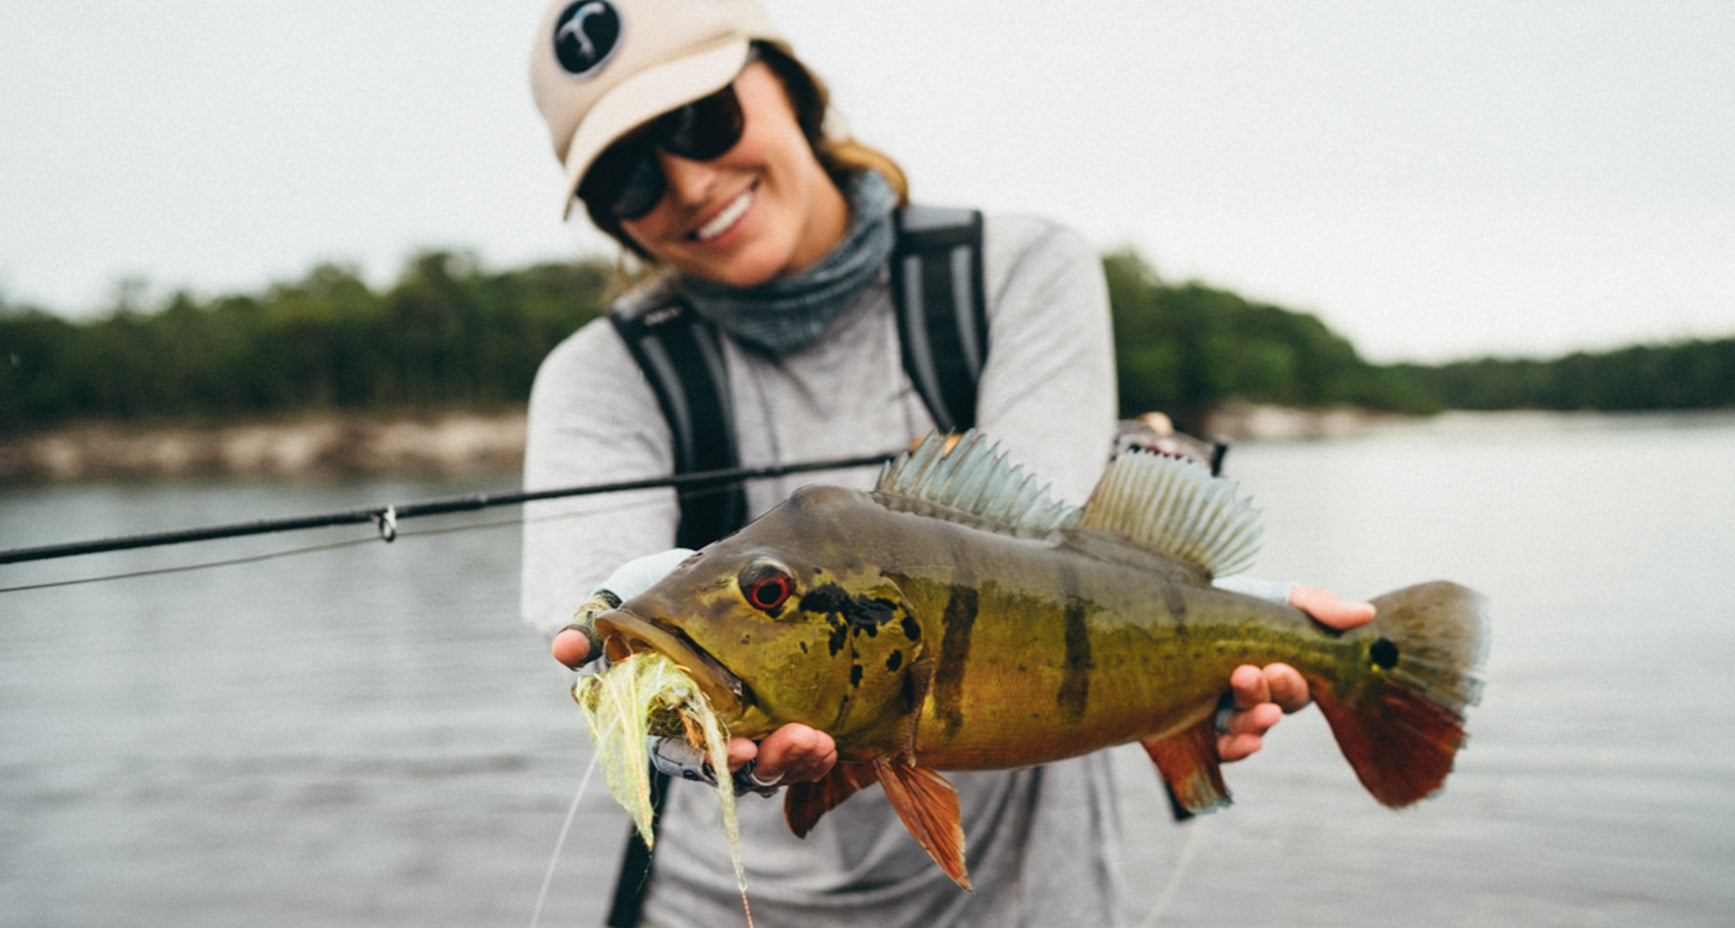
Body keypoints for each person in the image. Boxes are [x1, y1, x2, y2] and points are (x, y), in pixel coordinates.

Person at [520, 2, 1374, 925]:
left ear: (791, 87)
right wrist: (685, 732)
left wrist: (1247, 621)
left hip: (1035, 903)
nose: (686, 182)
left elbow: (1042, 552)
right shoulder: (597, 377)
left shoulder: (1015, 269)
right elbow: (601, 638)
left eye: (702, 120)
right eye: (628, 177)